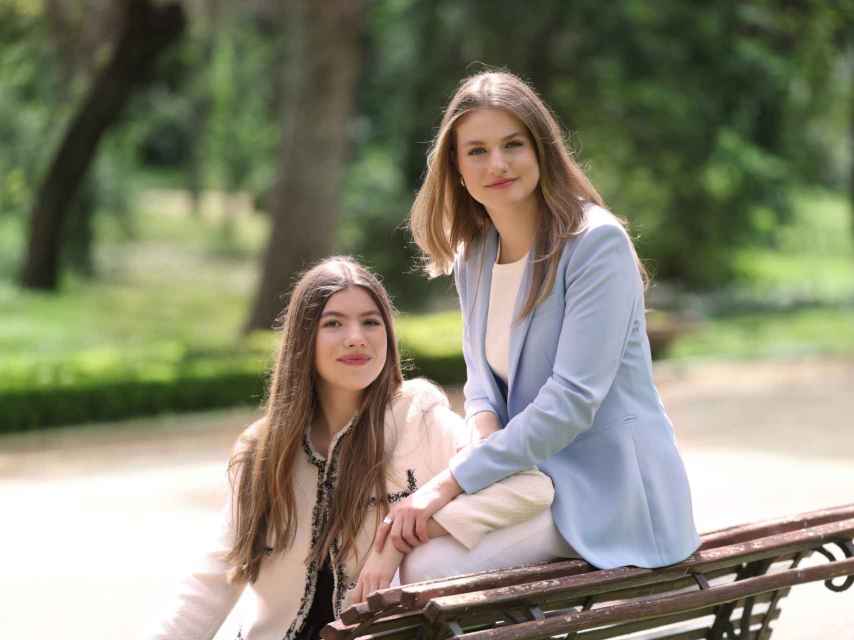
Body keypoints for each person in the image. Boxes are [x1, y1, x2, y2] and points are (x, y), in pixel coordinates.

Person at [379, 70, 700, 572]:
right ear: (456, 167)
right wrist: (481, 454)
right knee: (402, 549)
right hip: (524, 481)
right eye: (477, 151)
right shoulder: (474, 255)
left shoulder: (596, 245)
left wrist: (451, 483)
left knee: (426, 569)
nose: (498, 163)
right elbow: (482, 385)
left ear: (541, 150)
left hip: (606, 492)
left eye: (513, 144)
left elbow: (571, 402)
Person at [146, 256, 554, 640]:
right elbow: (216, 577)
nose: (356, 338)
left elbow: (528, 488)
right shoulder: (262, 451)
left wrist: (403, 533)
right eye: (334, 323)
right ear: (304, 340)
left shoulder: (418, 418)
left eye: (371, 322)